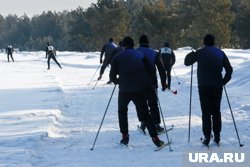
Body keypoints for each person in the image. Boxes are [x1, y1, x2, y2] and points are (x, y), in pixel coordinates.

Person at [109, 36, 164, 147]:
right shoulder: (141, 55)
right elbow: (151, 71)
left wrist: (118, 81)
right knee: (145, 115)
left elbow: (112, 76)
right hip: (139, 89)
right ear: (134, 44)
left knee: (122, 112)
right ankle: (155, 138)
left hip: (124, 90)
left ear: (123, 45)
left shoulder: (117, 57)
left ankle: (125, 137)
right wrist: (153, 83)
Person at [184, 34, 233, 145]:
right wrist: (223, 82)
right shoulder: (220, 53)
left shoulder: (200, 52)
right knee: (216, 111)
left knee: (205, 112)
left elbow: (187, 62)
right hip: (217, 86)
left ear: (204, 42)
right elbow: (229, 70)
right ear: (214, 42)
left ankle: (207, 137)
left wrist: (191, 54)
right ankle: (217, 135)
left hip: (203, 86)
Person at [136, 34, 167, 134]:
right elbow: (161, 69)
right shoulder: (154, 53)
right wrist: (164, 83)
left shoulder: (135, 52)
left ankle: (143, 124)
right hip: (152, 83)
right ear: (148, 42)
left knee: (141, 104)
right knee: (153, 104)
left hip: (139, 83)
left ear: (139, 42)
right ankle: (156, 125)